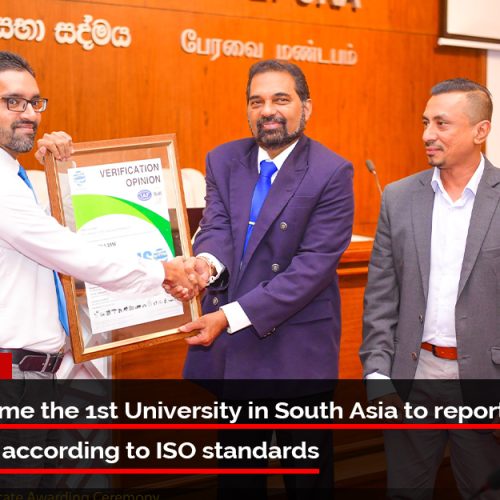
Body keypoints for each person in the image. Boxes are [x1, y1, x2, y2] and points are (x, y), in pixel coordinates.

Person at [180, 59, 354, 497]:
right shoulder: (223, 159)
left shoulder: (332, 171)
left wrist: (228, 316)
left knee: (307, 484)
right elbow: (217, 227)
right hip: (237, 352)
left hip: (297, 350)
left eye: (281, 99)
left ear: (305, 107)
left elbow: (312, 268)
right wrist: (207, 265)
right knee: (238, 481)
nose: (268, 110)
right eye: (256, 101)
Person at [0, 51, 206, 380]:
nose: (29, 114)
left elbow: (56, 233)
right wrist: (162, 271)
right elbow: (66, 251)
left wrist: (60, 170)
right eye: (13, 102)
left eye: (34, 102)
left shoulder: (11, 177)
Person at [360, 78, 500, 498]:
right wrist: (377, 375)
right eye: (425, 122)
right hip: (411, 382)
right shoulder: (399, 197)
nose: (427, 135)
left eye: (442, 123)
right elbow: (380, 296)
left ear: (480, 131)